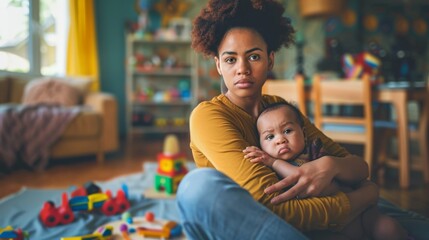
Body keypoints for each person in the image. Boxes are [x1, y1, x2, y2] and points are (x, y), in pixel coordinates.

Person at [177, 0, 428, 239]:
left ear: (270, 59)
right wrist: (359, 199)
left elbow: (358, 168)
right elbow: (268, 206)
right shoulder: (208, 116)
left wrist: (331, 166)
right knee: (197, 187)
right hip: (260, 224)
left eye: (253, 56)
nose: (242, 68)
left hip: (319, 212)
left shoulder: (280, 109)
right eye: (231, 59)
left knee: (404, 220)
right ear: (218, 65)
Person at [244, 101, 407, 239]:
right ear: (260, 145)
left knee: (387, 227)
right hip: (329, 224)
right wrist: (271, 163)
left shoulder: (314, 153)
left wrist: (273, 162)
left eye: (287, 131)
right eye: (269, 137)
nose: (280, 140)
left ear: (304, 133)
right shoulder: (270, 171)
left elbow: (299, 176)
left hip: (360, 215)